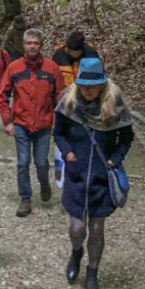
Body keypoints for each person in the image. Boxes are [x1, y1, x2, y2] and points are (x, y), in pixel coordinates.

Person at [52, 58, 134, 289]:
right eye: (84, 86)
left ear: (102, 84)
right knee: (77, 228)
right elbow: (58, 132)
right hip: (76, 175)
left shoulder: (115, 105)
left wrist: (114, 160)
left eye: (93, 86)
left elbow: (126, 138)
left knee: (97, 229)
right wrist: (68, 153)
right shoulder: (68, 103)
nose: (88, 90)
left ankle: (92, 272)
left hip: (101, 177)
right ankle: (76, 251)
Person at [0, 28, 65, 217]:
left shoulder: (52, 68)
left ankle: (44, 182)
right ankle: (25, 198)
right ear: (24, 45)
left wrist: (61, 123)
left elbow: (61, 97)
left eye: (36, 43)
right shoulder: (14, 68)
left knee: (41, 162)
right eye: (29, 43)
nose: (32, 46)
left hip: (44, 124)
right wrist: (7, 121)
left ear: (41, 45)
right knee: (23, 162)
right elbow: (2, 95)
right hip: (21, 123)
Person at [51, 30, 101, 187]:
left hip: (86, 104)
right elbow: (52, 80)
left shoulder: (91, 54)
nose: (74, 54)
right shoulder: (58, 55)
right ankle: (61, 175)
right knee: (61, 136)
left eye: (77, 52)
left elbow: (100, 79)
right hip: (63, 104)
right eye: (71, 51)